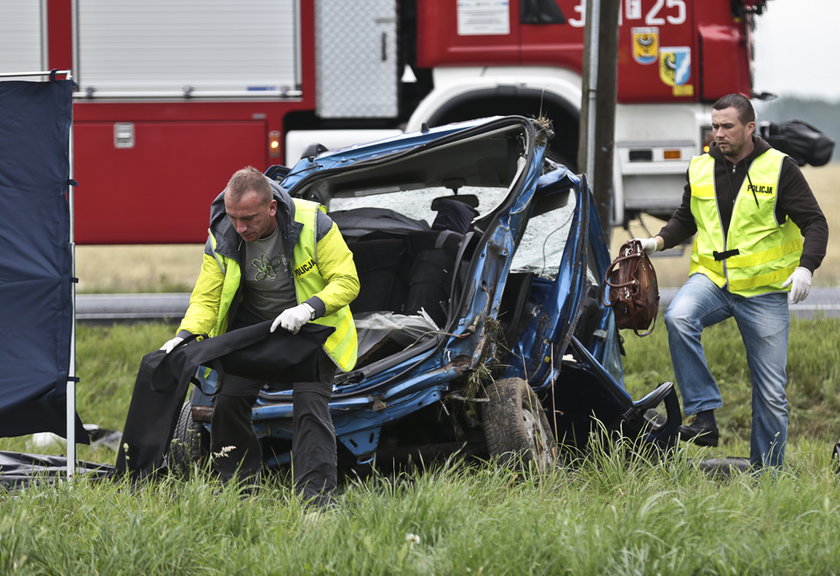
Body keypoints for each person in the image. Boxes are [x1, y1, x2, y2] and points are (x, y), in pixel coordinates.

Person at [635, 93, 827, 468]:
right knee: (678, 317)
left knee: (771, 395)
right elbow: (685, 220)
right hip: (712, 281)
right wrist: (655, 242)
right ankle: (703, 415)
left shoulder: (780, 168)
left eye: (727, 126)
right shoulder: (701, 167)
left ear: (749, 128)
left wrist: (806, 267)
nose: (718, 133)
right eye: (714, 125)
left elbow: (815, 223)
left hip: (764, 291)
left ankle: (766, 475)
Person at [160, 166, 359, 502]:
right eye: (234, 217)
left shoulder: (314, 224)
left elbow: (347, 281)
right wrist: (185, 334)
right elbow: (207, 298)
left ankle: (316, 501)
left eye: (249, 219)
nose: (240, 227)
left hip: (309, 328)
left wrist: (309, 308)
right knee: (228, 403)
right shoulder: (222, 235)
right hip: (255, 330)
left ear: (271, 208)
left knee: (310, 407)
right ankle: (241, 489)